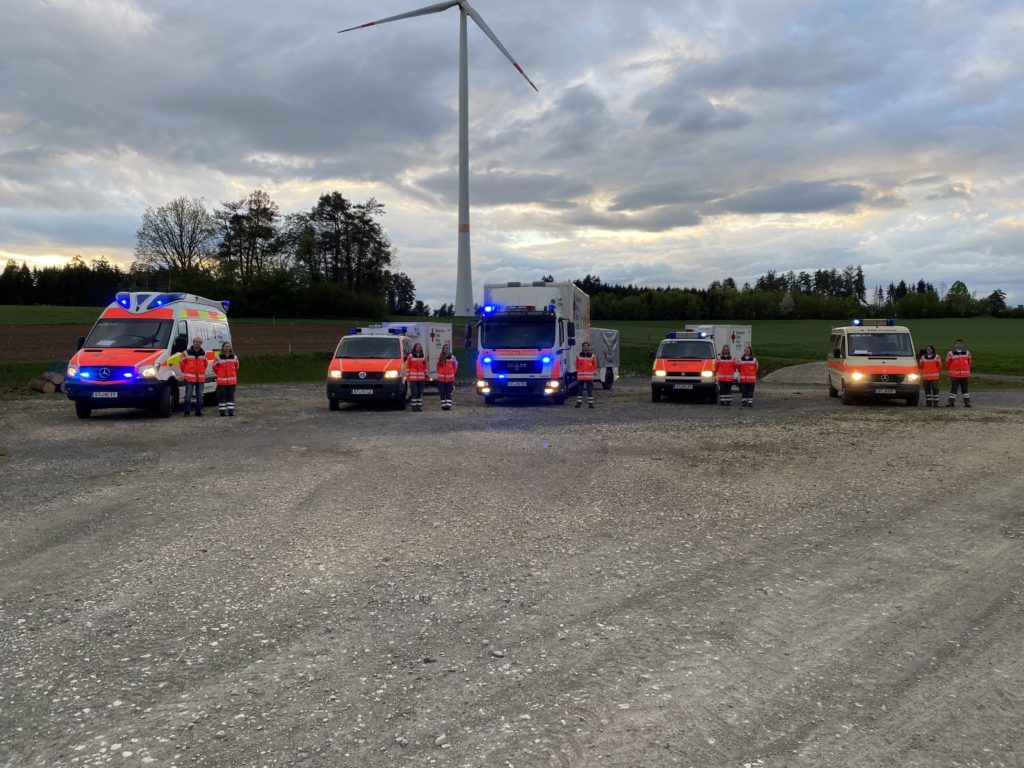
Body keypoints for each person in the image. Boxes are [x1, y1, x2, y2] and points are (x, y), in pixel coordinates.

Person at [180, 336, 208, 417]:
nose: (198, 343)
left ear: (201, 343)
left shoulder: (204, 353)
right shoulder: (186, 353)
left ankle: (198, 412)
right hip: (189, 378)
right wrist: (185, 372)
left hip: (200, 378)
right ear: (193, 342)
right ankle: (187, 412)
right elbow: (181, 363)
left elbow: (205, 364)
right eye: (196, 342)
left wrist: (201, 371)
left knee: (199, 395)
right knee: (188, 395)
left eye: (199, 342)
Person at [212, 341, 240, 416]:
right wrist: (220, 373)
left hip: (232, 381)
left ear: (230, 348)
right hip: (221, 382)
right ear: (223, 348)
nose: (227, 348)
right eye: (226, 346)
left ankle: (231, 411)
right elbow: (214, 367)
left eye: (229, 346)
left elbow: (237, 367)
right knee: (222, 396)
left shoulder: (234, 357)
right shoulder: (218, 358)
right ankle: (222, 412)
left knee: (230, 396)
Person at [945, 338, 972, 407]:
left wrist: (966, 370)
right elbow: (947, 363)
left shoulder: (967, 352)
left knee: (965, 389)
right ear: (955, 345)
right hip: (954, 374)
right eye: (957, 343)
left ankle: (967, 402)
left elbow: (969, 362)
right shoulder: (950, 353)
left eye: (960, 343)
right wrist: (951, 370)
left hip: (965, 374)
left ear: (962, 344)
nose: (959, 345)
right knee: (954, 388)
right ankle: (951, 402)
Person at [575, 341, 598, 408]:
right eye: (584, 346)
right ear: (582, 347)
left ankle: (591, 404)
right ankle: (578, 403)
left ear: (588, 347)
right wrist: (579, 371)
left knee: (590, 391)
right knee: (580, 391)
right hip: (581, 377)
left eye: (586, 346)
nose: (585, 347)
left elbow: (595, 365)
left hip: (589, 377)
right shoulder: (578, 355)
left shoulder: (592, 356)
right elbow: (576, 365)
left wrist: (593, 371)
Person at [406, 342, 428, 412]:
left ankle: (419, 406)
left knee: (419, 393)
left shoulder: (423, 356)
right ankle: (414, 407)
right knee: (414, 392)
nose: (418, 348)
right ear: (414, 348)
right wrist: (408, 376)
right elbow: (407, 367)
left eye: (419, 347)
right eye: (417, 347)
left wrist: (426, 375)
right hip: (413, 378)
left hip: (421, 378)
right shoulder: (410, 356)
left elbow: (425, 367)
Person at [436, 342, 458, 411]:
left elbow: (455, 366)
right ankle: (443, 405)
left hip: (450, 379)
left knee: (449, 392)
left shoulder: (453, 357)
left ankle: (448, 405)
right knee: (442, 392)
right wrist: (440, 372)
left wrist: (452, 373)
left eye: (447, 348)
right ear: (443, 349)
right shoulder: (439, 357)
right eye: (445, 348)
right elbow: (437, 367)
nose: (446, 349)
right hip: (441, 379)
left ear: (449, 349)